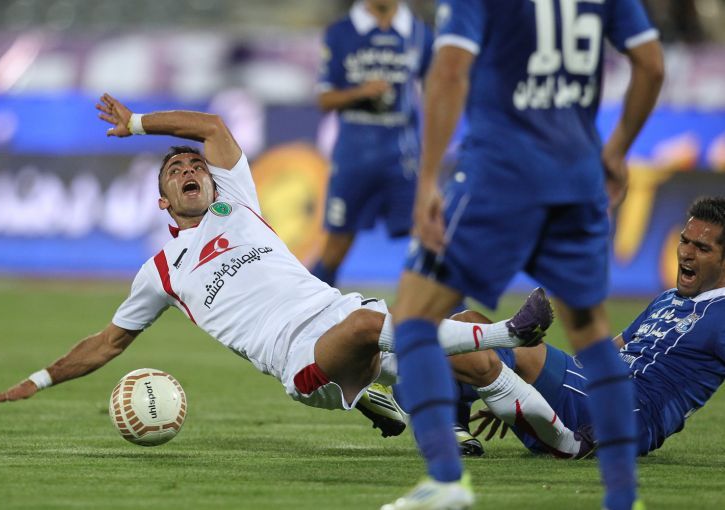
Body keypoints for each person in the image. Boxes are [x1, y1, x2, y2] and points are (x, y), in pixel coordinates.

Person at [0, 95, 562, 450]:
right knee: (376, 328)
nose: (188, 169)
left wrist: (137, 123)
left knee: (473, 353)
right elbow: (107, 343)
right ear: (162, 202)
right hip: (303, 361)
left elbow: (211, 126)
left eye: (194, 165)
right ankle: (508, 333)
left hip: (341, 310)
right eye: (174, 171)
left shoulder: (236, 202)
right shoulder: (160, 272)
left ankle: (565, 442)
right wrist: (39, 380)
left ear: (212, 181)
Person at [383, 1, 665, 509]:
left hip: (498, 176)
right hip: (577, 176)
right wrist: (617, 150)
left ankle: (446, 482)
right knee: (592, 333)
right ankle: (623, 499)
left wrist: (426, 180)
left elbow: (449, 70)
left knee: (413, 320)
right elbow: (651, 64)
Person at [465, 197, 725, 461]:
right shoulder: (667, 298)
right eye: (684, 241)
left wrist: (507, 378)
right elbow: (612, 349)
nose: (686, 253)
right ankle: (459, 424)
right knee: (470, 321)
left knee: (495, 344)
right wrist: (517, 382)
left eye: (702, 248)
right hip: (586, 389)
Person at [310, 0, 432, 287]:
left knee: (429, 239)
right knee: (336, 247)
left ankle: (455, 312)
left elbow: (438, 89)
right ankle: (308, 307)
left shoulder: (419, 33)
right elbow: (324, 99)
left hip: (403, 158)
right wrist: (361, 92)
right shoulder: (341, 33)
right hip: (354, 158)